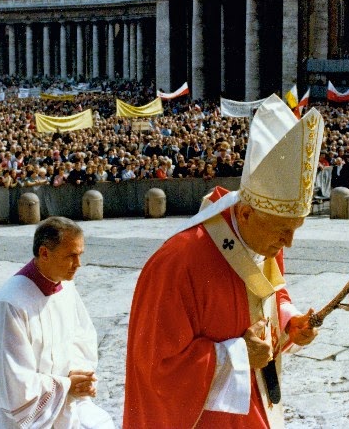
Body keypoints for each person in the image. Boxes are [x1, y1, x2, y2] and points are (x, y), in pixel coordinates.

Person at [124, 95, 324, 428]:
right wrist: (237, 356)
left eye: (295, 229)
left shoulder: (265, 238)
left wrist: (290, 323)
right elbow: (156, 368)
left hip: (256, 406)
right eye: (283, 230)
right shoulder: (178, 262)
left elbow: (270, 296)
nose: (288, 243)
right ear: (244, 213)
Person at [0, 217, 115, 428]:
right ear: (44, 253)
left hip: (61, 404)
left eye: (80, 255)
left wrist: (79, 375)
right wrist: (66, 385)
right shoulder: (9, 304)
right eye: (71, 256)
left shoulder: (65, 286)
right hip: (17, 418)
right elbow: (11, 382)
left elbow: (82, 337)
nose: (78, 264)